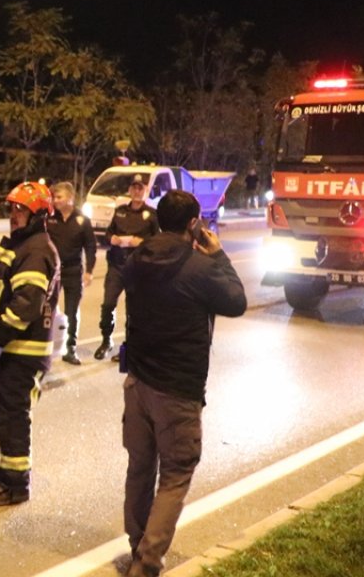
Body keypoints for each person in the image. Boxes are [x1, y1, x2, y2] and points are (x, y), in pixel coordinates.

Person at [118, 190, 246, 577]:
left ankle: (137, 544)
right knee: (175, 475)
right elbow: (237, 302)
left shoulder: (136, 259)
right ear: (194, 224)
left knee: (140, 467)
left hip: (138, 382)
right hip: (178, 389)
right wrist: (219, 255)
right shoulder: (200, 268)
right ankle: (148, 564)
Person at [0, 182, 60, 506]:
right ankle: (6, 473)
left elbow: (26, 305)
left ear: (37, 215)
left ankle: (16, 486)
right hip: (13, 350)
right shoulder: (25, 245)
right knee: (5, 417)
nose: (13, 215)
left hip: (22, 351)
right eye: (11, 209)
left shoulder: (35, 250)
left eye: (20, 209)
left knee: (14, 418)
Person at [96, 174, 159, 361]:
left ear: (145, 191)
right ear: (130, 190)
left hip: (138, 269)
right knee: (108, 304)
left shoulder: (152, 215)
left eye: (141, 188)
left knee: (133, 310)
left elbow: (158, 241)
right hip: (116, 265)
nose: (137, 191)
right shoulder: (121, 211)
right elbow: (108, 233)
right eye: (134, 188)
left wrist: (142, 242)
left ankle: (129, 348)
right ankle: (106, 340)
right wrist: (111, 239)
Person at [46, 181, 97, 365]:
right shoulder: (50, 218)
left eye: (59, 197)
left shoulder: (82, 220)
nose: (55, 201)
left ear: (70, 198)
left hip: (74, 272)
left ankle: (70, 349)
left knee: (71, 312)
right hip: (53, 272)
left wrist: (89, 271)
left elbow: (90, 246)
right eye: (54, 197)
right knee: (47, 310)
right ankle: (45, 346)